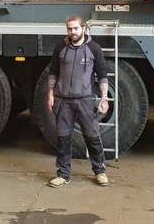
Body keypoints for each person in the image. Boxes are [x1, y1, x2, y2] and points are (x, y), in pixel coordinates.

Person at [46, 15, 110, 188]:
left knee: (92, 137)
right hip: (63, 101)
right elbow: (53, 72)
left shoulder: (94, 49)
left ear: (84, 28)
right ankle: (63, 174)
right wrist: (50, 95)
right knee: (63, 139)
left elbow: (102, 75)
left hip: (84, 100)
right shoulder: (60, 47)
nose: (72, 32)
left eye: (75, 28)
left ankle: (100, 171)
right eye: (69, 28)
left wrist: (104, 98)